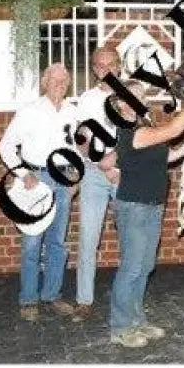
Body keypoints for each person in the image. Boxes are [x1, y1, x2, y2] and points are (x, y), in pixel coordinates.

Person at [109, 80, 184, 348]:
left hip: (152, 205)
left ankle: (136, 320)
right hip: (134, 207)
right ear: (121, 103)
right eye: (135, 95)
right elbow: (175, 128)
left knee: (145, 267)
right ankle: (120, 327)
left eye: (142, 95)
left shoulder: (144, 129)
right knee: (132, 268)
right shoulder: (129, 132)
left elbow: (167, 156)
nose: (141, 99)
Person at [0, 62, 80, 320]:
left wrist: (76, 175)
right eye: (55, 79)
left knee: (57, 243)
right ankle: (29, 299)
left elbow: (77, 147)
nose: (60, 84)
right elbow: (6, 146)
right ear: (45, 82)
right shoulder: (28, 112)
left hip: (62, 180)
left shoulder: (72, 112)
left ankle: (52, 295)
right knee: (32, 243)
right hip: (36, 181)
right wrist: (24, 173)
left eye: (64, 80)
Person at [71, 46, 121, 322]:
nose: (104, 70)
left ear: (120, 66)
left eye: (109, 64)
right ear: (93, 69)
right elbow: (81, 139)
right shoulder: (87, 99)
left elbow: (138, 137)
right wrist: (101, 163)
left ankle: (125, 300)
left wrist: (116, 166)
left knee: (129, 239)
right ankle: (84, 300)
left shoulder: (132, 94)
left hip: (123, 174)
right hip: (93, 175)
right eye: (99, 66)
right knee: (88, 239)